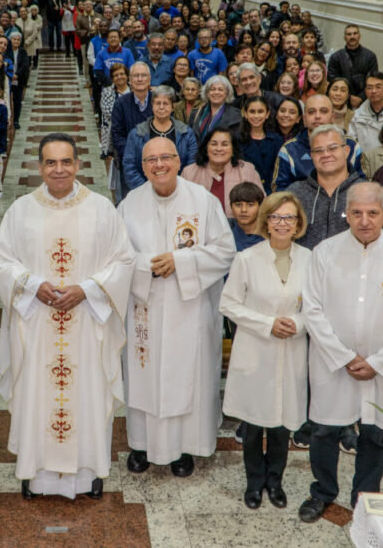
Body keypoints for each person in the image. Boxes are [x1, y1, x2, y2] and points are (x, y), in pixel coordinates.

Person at [0, 133, 135, 499]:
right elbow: (0, 260)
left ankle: (88, 474)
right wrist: (32, 284)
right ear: (40, 166)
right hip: (36, 321)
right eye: (51, 162)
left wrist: (87, 288)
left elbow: (124, 260)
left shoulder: (102, 209)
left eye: (66, 161)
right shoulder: (21, 210)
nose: (59, 169)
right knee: (36, 393)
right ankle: (35, 474)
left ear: (78, 165)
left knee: (88, 392)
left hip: (87, 321)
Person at [298, 182, 383, 520]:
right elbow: (313, 310)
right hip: (332, 362)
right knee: (324, 430)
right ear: (346, 215)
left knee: (373, 433)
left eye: (371, 213)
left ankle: (365, 497)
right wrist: (344, 356)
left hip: (381, 366)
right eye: (356, 213)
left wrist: (379, 362)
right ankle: (322, 492)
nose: (364, 220)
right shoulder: (325, 252)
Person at [119, 137, 235, 477]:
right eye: (150, 160)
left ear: (178, 161)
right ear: (143, 167)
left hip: (190, 309)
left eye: (165, 157)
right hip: (145, 305)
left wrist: (180, 261)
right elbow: (116, 253)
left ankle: (186, 447)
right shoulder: (129, 204)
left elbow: (225, 250)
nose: (158, 165)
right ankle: (141, 444)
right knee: (144, 375)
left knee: (189, 375)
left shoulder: (202, 201)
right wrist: (148, 267)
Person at [220, 192, 310, 509]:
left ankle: (276, 481)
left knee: (283, 424)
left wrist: (297, 324)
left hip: (292, 350)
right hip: (256, 349)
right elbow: (228, 304)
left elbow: (318, 308)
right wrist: (267, 323)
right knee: (255, 421)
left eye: (289, 218)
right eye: (276, 217)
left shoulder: (310, 260)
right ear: (266, 222)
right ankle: (254, 483)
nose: (282, 223)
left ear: (298, 223)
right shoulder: (247, 259)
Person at [286, 125, 373, 250]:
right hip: (305, 268)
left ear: (346, 151)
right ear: (312, 155)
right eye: (318, 150)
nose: (326, 154)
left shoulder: (369, 194)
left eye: (332, 148)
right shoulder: (294, 193)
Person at [274, 94, 363, 191]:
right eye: (311, 112)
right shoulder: (289, 150)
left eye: (323, 111)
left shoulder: (351, 145)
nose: (317, 116)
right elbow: (280, 192)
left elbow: (362, 184)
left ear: (333, 116)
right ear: (304, 119)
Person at [123, 87, 198, 190]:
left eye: (166, 103)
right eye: (158, 103)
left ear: (173, 107)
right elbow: (129, 166)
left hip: (179, 191)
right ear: (152, 106)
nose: (161, 107)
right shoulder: (136, 133)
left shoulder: (186, 133)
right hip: (144, 191)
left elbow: (192, 166)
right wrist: (146, 190)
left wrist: (178, 189)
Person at [181, 127, 262, 218]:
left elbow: (262, 205)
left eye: (225, 144)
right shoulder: (189, 172)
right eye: (214, 144)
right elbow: (181, 206)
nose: (219, 149)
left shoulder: (247, 170)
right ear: (206, 148)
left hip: (239, 228)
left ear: (233, 150)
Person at [111, 62, 155, 198]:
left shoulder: (158, 101)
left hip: (155, 161)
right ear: (130, 80)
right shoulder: (120, 103)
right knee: (131, 202)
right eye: (136, 75)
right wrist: (134, 155)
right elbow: (117, 134)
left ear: (149, 79)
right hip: (130, 163)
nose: (140, 79)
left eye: (143, 75)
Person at [326, 24, 378, 108]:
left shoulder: (370, 56)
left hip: (365, 102)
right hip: (340, 101)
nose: (352, 36)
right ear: (344, 37)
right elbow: (332, 81)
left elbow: (373, 81)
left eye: (355, 33)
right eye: (349, 34)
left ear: (359, 36)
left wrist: (361, 97)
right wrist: (349, 97)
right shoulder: (336, 57)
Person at [188, 75, 241, 141]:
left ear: (227, 93)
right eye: (213, 89)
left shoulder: (235, 115)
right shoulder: (195, 113)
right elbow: (189, 139)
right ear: (207, 93)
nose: (216, 92)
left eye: (220, 89)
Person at [229, 182, 266, 251]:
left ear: (260, 207)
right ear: (231, 207)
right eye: (238, 205)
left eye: (250, 205)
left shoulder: (270, 235)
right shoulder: (225, 233)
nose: (244, 210)